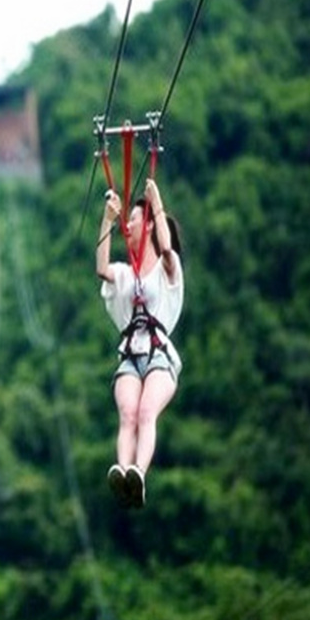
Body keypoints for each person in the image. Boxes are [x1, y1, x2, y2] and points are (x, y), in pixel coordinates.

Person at [96, 177, 183, 509]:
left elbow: (168, 248)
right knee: (128, 414)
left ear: (146, 226)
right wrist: (106, 218)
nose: (126, 225)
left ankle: (138, 473)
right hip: (131, 356)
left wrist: (155, 205)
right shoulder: (123, 273)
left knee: (147, 412)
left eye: (131, 219)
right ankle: (122, 472)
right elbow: (101, 267)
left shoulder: (165, 270)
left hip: (159, 356)